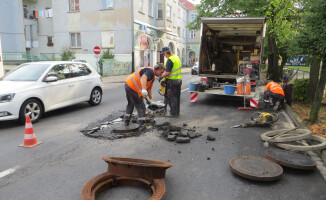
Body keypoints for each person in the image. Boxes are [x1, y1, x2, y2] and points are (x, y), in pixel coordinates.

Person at [124, 64, 165, 131]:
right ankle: (142, 127)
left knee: (130, 104)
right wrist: (143, 89)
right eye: (161, 72)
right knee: (141, 107)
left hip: (128, 84)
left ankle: (126, 122)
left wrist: (151, 100)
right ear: (157, 69)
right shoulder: (151, 72)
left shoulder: (152, 76)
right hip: (133, 87)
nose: (161, 74)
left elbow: (149, 89)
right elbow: (144, 77)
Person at [159, 47, 182, 117]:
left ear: (167, 52)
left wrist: (161, 76)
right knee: (177, 98)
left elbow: (168, 73)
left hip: (172, 82)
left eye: (163, 54)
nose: (164, 55)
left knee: (172, 98)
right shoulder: (176, 57)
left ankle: (173, 113)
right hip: (178, 80)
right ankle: (177, 112)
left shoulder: (170, 60)